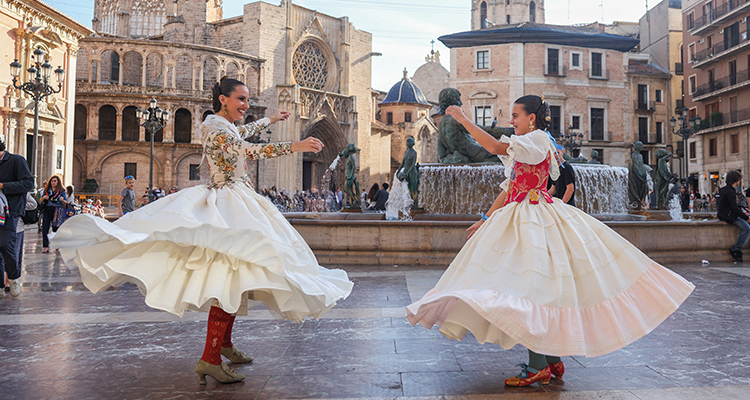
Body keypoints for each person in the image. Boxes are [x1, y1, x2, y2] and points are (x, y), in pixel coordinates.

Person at [51, 77, 352, 385]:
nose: (246, 106)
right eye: (242, 100)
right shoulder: (213, 127)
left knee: (239, 273)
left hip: (239, 197)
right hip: (227, 200)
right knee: (228, 275)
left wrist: (271, 118)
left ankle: (223, 344)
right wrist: (295, 146)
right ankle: (209, 359)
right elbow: (244, 148)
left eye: (248, 100)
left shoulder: (226, 124)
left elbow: (244, 131)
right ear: (223, 99)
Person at [406, 95, 694, 387]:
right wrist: (485, 217)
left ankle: (538, 366)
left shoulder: (538, 140)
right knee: (536, 288)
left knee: (533, 289)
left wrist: (462, 119)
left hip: (534, 218)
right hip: (520, 216)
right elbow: (510, 188)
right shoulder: (528, 144)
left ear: (531, 118)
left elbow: (493, 147)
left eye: (515, 116)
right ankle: (550, 357)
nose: (511, 121)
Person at [0, 139, 33, 298]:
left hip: (10, 211)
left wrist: (3, 186)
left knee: (7, 244)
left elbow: (28, 184)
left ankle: (13, 278)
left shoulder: (16, 161)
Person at [717, 170, 750, 262]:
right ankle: (736, 249)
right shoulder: (730, 192)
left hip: (726, 214)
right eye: (739, 180)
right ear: (736, 181)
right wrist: (747, 218)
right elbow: (734, 208)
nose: (739, 182)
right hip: (729, 216)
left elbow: (732, 204)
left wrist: (743, 208)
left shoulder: (726, 189)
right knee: (747, 229)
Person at [39, 175, 68, 253]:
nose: (53, 182)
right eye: (52, 181)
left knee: (55, 229)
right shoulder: (47, 190)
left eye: (55, 181)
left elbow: (66, 202)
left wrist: (62, 200)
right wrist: (44, 198)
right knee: (45, 228)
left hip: (57, 210)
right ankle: (45, 246)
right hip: (47, 209)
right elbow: (41, 200)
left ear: (58, 182)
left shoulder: (62, 191)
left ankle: (57, 245)